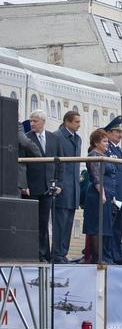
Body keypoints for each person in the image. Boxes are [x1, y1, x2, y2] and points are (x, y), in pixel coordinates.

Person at [22, 110, 62, 262]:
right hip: (32, 187)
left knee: (44, 222)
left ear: (43, 122)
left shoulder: (53, 138)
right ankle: (35, 254)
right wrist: (24, 185)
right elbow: (22, 165)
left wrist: (59, 183)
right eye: (30, 121)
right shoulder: (26, 138)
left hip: (48, 186)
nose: (31, 124)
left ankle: (44, 254)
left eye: (35, 121)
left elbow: (59, 162)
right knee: (32, 222)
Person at [82, 129, 116, 264]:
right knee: (96, 226)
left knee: (104, 226)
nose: (107, 144)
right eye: (104, 141)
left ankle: (102, 256)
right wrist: (102, 193)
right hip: (97, 194)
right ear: (96, 142)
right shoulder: (93, 155)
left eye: (107, 141)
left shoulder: (104, 155)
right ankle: (97, 258)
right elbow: (96, 177)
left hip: (107, 193)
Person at [52, 110, 82, 263]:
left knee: (69, 222)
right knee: (60, 222)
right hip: (63, 186)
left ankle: (63, 253)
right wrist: (57, 183)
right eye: (76, 122)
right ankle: (57, 253)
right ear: (67, 122)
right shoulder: (57, 136)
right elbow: (55, 163)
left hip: (73, 187)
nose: (79, 125)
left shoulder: (78, 139)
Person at [103, 115, 122, 264]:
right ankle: (111, 256)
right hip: (113, 195)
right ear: (108, 133)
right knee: (111, 227)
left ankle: (117, 255)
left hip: (121, 195)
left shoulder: (119, 150)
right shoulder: (108, 149)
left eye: (120, 132)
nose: (119, 135)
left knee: (118, 228)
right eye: (116, 132)